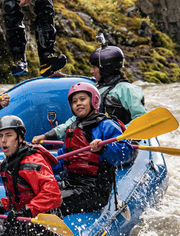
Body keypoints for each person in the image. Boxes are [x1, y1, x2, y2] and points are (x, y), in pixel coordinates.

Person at [32, 44, 146, 144]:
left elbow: (141, 119)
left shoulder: (126, 90)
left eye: (94, 67)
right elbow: (74, 121)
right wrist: (47, 136)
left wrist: (115, 136)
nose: (92, 71)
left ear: (106, 68)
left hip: (117, 143)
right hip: (92, 142)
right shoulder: (95, 88)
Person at [54, 83, 134, 215]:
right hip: (71, 181)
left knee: (52, 202)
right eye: (74, 101)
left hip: (95, 189)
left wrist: (104, 148)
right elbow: (60, 159)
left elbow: (127, 153)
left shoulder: (106, 124)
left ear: (94, 100)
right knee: (39, 196)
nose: (78, 103)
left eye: (82, 99)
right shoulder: (73, 128)